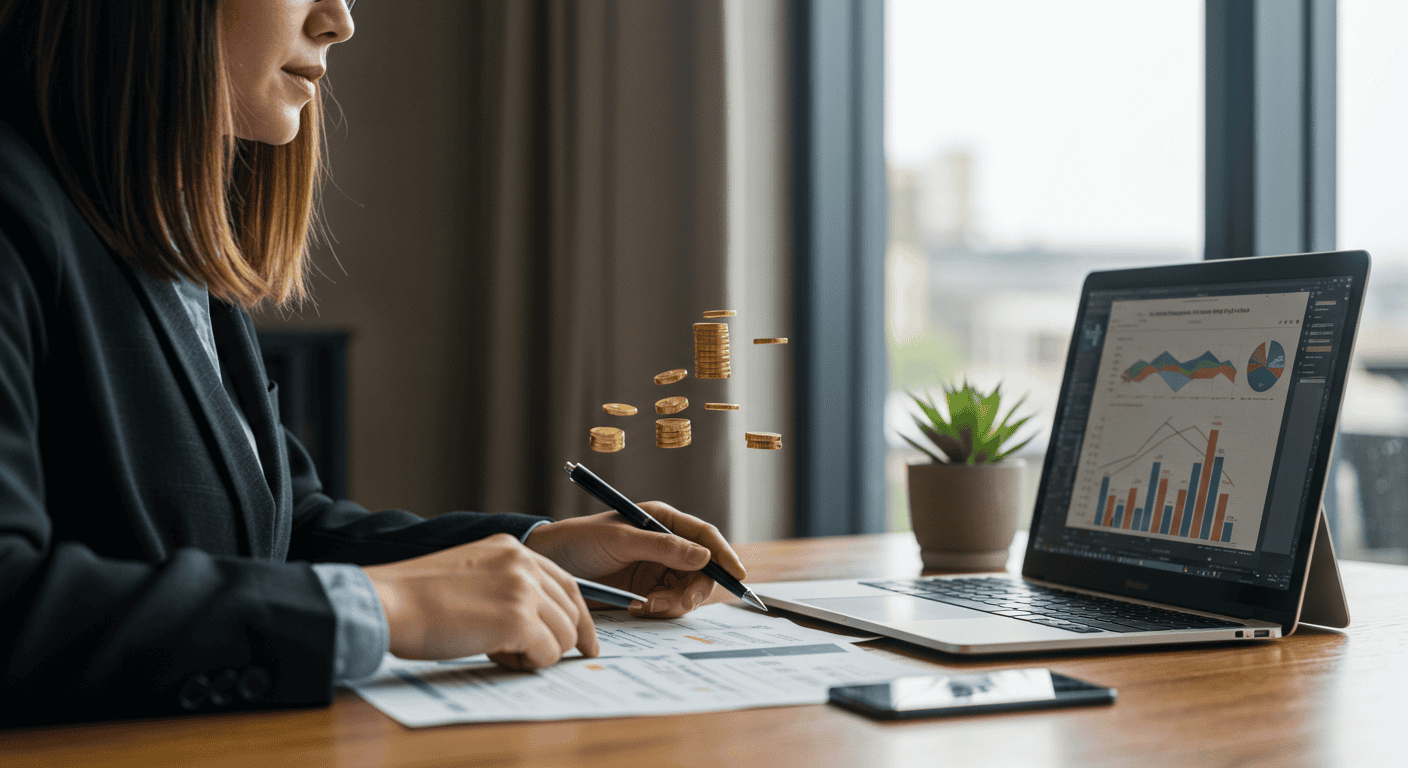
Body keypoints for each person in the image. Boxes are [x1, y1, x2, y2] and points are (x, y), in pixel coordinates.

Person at [0, 0, 748, 724]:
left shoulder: (164, 227)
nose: (340, 21)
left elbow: (278, 533)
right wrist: (387, 608)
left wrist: (545, 552)